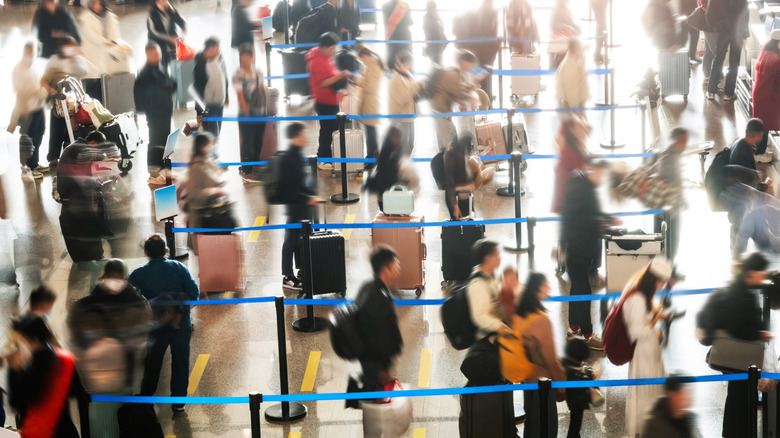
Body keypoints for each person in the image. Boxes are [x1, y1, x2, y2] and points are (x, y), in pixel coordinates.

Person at [129, 234, 200, 413]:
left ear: (145, 251)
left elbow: (131, 301)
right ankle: (178, 401)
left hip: (156, 326)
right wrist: (180, 311)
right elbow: (193, 292)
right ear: (166, 250)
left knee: (153, 359)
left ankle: (147, 395)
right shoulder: (178, 267)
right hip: (181, 324)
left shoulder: (137, 274)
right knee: (181, 360)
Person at [714, 253, 771, 437]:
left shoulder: (743, 287)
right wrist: (758, 333)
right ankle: (739, 432)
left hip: (737, 356)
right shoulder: (739, 291)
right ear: (752, 272)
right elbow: (736, 325)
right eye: (761, 271)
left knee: (738, 396)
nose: (764, 275)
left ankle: (735, 432)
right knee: (741, 397)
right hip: (737, 356)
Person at [561, 161, 614, 348]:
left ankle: (573, 327)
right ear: (597, 170)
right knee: (583, 292)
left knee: (577, 288)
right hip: (579, 247)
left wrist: (606, 219)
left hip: (577, 247)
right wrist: (606, 222)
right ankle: (588, 335)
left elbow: (590, 214)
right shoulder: (584, 190)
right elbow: (586, 220)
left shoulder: (580, 180)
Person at [6, 314, 87, 437]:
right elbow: (78, 393)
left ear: (28, 339)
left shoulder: (29, 368)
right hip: (66, 432)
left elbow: (16, 403)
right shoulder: (66, 359)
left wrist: (13, 371)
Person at [622, 258, 674, 437]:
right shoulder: (637, 298)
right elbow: (636, 331)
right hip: (643, 355)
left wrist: (658, 315)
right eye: (661, 282)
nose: (661, 286)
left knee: (653, 394)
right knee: (646, 395)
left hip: (650, 353)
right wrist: (656, 319)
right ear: (653, 279)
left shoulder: (644, 294)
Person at [516, 272, 566, 437]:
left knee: (531, 423)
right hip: (542, 383)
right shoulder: (541, 320)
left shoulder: (522, 313)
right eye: (546, 285)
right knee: (545, 427)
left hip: (527, 379)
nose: (549, 288)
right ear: (537, 290)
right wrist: (563, 385)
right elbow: (550, 360)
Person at [278, 123, 320, 290]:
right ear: (294, 137)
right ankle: (287, 276)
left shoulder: (296, 154)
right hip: (295, 206)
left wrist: (310, 195)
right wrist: (307, 198)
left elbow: (302, 181)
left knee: (300, 239)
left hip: (301, 206)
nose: (306, 137)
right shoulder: (288, 158)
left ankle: (301, 269)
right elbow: (287, 188)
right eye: (303, 134)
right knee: (290, 241)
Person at [355, 245, 403, 390]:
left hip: (370, 361)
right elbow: (378, 336)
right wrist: (382, 369)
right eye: (395, 263)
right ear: (385, 268)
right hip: (375, 364)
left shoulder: (369, 286)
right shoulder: (377, 296)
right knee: (378, 405)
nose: (398, 267)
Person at [41, 37, 89, 169]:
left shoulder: (77, 59)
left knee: (72, 129)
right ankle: (53, 157)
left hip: (73, 101)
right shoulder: (54, 60)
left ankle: (70, 155)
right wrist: (51, 91)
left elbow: (84, 72)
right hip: (58, 99)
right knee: (57, 128)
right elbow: (43, 80)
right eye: (68, 46)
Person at [306, 32, 352, 170]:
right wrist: (341, 76)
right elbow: (323, 83)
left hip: (332, 99)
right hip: (324, 101)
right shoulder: (316, 61)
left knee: (331, 129)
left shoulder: (324, 57)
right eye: (331, 48)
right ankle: (323, 158)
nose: (334, 51)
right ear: (324, 47)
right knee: (326, 131)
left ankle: (327, 156)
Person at [134, 42, 177, 185]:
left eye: (158, 53)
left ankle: (164, 168)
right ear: (147, 54)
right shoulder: (145, 73)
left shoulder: (160, 67)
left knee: (165, 140)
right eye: (153, 53)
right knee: (156, 141)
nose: (157, 56)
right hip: (155, 114)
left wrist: (168, 87)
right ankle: (153, 173)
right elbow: (141, 95)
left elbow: (172, 84)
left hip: (164, 111)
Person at [12, 42, 48, 180]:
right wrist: (24, 109)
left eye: (33, 53)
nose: (32, 56)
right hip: (27, 109)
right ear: (25, 52)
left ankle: (35, 164)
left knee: (39, 135)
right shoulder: (18, 69)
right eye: (30, 53)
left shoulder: (32, 67)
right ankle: (27, 167)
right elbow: (18, 91)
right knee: (29, 138)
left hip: (38, 107)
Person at [431, 50, 479, 152]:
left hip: (438, 109)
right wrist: (470, 99)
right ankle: (449, 164)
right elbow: (457, 94)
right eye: (470, 64)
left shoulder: (455, 72)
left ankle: (444, 164)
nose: (471, 67)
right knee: (450, 140)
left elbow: (460, 89)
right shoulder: (454, 74)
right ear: (463, 62)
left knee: (444, 141)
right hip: (441, 109)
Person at [233, 43, 267, 183]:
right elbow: (240, 95)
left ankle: (254, 165)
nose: (245, 59)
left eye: (248, 56)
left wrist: (265, 108)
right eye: (242, 56)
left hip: (261, 112)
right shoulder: (238, 75)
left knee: (258, 140)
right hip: (246, 114)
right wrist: (246, 110)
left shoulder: (258, 72)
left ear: (252, 57)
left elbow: (263, 89)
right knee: (247, 141)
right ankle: (247, 169)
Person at [654, 126, 689, 261]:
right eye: (684, 140)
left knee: (670, 243)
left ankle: (670, 271)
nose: (686, 144)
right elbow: (671, 184)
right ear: (676, 141)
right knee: (670, 244)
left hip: (669, 209)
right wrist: (681, 198)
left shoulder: (670, 155)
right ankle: (668, 273)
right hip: (668, 211)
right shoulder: (670, 158)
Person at [454, 0, 499, 103]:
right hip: (478, 50)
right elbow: (472, 31)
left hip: (489, 51)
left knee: (486, 74)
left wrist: (495, 47)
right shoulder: (475, 14)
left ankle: (487, 98)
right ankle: (481, 98)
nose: (490, 5)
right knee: (478, 76)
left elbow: (494, 31)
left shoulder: (493, 13)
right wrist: (472, 48)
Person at [443, 134, 496, 220]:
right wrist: (455, 206)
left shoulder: (461, 155)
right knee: (462, 221)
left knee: (467, 220)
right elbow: (449, 185)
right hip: (457, 194)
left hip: (464, 194)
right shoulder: (452, 156)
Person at [705, 0, 748, 100]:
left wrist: (715, 26)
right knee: (734, 62)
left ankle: (711, 91)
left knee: (718, 59)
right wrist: (745, 34)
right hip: (737, 31)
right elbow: (745, 12)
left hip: (722, 31)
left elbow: (710, 12)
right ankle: (728, 93)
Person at [185, 132, 229, 230]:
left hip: (212, 209)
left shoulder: (208, 160)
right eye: (210, 145)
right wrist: (214, 191)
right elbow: (194, 194)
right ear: (202, 147)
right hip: (202, 215)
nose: (212, 147)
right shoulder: (196, 167)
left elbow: (215, 176)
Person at [467, 239, 510, 340]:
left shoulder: (490, 275)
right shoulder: (478, 284)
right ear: (487, 259)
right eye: (497, 255)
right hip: (488, 337)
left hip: (498, 326)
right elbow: (479, 316)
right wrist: (500, 327)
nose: (500, 258)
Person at [79, 0, 120, 96]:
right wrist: (106, 42)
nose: (96, 6)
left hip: (106, 62)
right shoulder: (86, 18)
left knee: (106, 92)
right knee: (92, 93)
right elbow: (92, 35)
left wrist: (113, 41)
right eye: (93, 3)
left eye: (98, 3)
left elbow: (114, 33)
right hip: (92, 61)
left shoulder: (110, 16)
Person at [194, 36, 229, 138]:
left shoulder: (219, 57)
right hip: (210, 104)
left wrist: (226, 95)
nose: (219, 52)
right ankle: (212, 152)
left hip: (220, 102)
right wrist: (199, 111)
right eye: (217, 49)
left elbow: (224, 76)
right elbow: (197, 87)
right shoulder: (200, 65)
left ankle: (214, 150)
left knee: (217, 130)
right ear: (209, 50)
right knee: (213, 133)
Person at [552, 116, 589, 213]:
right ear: (572, 130)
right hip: (570, 194)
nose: (583, 129)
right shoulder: (569, 151)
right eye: (580, 127)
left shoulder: (577, 145)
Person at [355, 45, 386, 160]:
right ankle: (373, 156)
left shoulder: (374, 67)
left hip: (371, 103)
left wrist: (358, 79)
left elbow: (370, 86)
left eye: (361, 59)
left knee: (371, 133)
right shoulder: (371, 66)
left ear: (365, 56)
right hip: (369, 102)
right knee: (370, 132)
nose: (361, 62)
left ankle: (371, 157)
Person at [752, 29, 780, 154]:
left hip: (761, 94)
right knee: (765, 124)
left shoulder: (765, 52)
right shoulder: (776, 59)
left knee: (762, 124)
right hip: (768, 97)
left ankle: (758, 150)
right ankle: (759, 154)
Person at [562, 338, 595, 438]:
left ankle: (574, 435)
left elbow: (583, 368)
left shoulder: (565, 362)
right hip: (577, 401)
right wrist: (591, 376)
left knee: (575, 422)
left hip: (572, 399)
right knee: (575, 423)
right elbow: (582, 380)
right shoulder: (574, 370)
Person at [388, 50, 419, 152]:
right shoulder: (395, 78)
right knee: (403, 148)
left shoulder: (405, 75)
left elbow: (413, 90)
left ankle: (402, 166)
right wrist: (415, 86)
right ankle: (399, 167)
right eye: (409, 63)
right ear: (402, 63)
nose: (410, 66)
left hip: (408, 116)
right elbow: (402, 98)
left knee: (409, 145)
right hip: (400, 118)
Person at [147, 0, 186, 69]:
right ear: (155, 4)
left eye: (164, 1)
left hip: (172, 44)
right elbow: (153, 33)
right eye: (159, 2)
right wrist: (169, 38)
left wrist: (182, 33)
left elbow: (181, 22)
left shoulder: (172, 11)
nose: (162, 4)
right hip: (159, 45)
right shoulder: (152, 16)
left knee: (175, 65)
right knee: (162, 67)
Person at [555, 38, 590, 110]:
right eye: (581, 48)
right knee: (577, 121)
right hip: (574, 105)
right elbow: (571, 89)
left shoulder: (575, 60)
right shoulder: (570, 66)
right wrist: (575, 108)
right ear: (576, 50)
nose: (583, 50)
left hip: (577, 103)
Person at [549, 0, 580, 69]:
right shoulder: (557, 11)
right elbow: (554, 25)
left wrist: (575, 28)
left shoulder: (566, 10)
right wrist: (566, 27)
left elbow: (571, 23)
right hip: (561, 39)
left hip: (567, 37)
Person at [382, 0, 412, 66]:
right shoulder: (404, 5)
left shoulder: (384, 6)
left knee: (392, 60)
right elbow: (410, 22)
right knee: (404, 61)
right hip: (404, 36)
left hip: (391, 36)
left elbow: (385, 22)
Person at [422, 1, 447, 65]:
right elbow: (432, 33)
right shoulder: (427, 18)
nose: (435, 10)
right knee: (436, 65)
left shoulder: (436, 16)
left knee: (438, 64)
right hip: (434, 46)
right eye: (433, 8)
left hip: (437, 46)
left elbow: (442, 27)